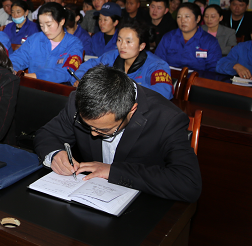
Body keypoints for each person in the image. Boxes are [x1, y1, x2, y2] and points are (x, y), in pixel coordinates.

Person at [34, 65, 202, 203]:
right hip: (87, 198)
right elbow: (46, 134)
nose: (93, 134)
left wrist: (113, 171)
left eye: (104, 130)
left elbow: (188, 183)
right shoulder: (79, 101)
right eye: (88, 126)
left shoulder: (167, 119)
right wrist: (55, 154)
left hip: (142, 207)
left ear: (131, 111)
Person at [77, 19, 173, 99]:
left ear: (141, 46)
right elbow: (86, 67)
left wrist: (124, 87)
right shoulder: (111, 56)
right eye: (119, 40)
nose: (122, 46)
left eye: (128, 42)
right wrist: (79, 79)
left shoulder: (156, 65)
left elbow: (164, 92)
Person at [10, 2, 83, 83]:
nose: (45, 30)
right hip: (31, 86)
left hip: (58, 88)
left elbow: (67, 72)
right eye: (41, 25)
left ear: (62, 21)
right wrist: (13, 70)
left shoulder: (74, 44)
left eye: (49, 25)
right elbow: (17, 58)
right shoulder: (35, 39)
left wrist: (32, 76)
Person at [155, 3, 223, 72]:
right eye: (179, 17)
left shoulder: (210, 41)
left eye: (187, 16)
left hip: (198, 78)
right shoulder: (168, 37)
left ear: (198, 19)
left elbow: (213, 68)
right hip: (169, 77)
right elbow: (157, 62)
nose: (182, 20)